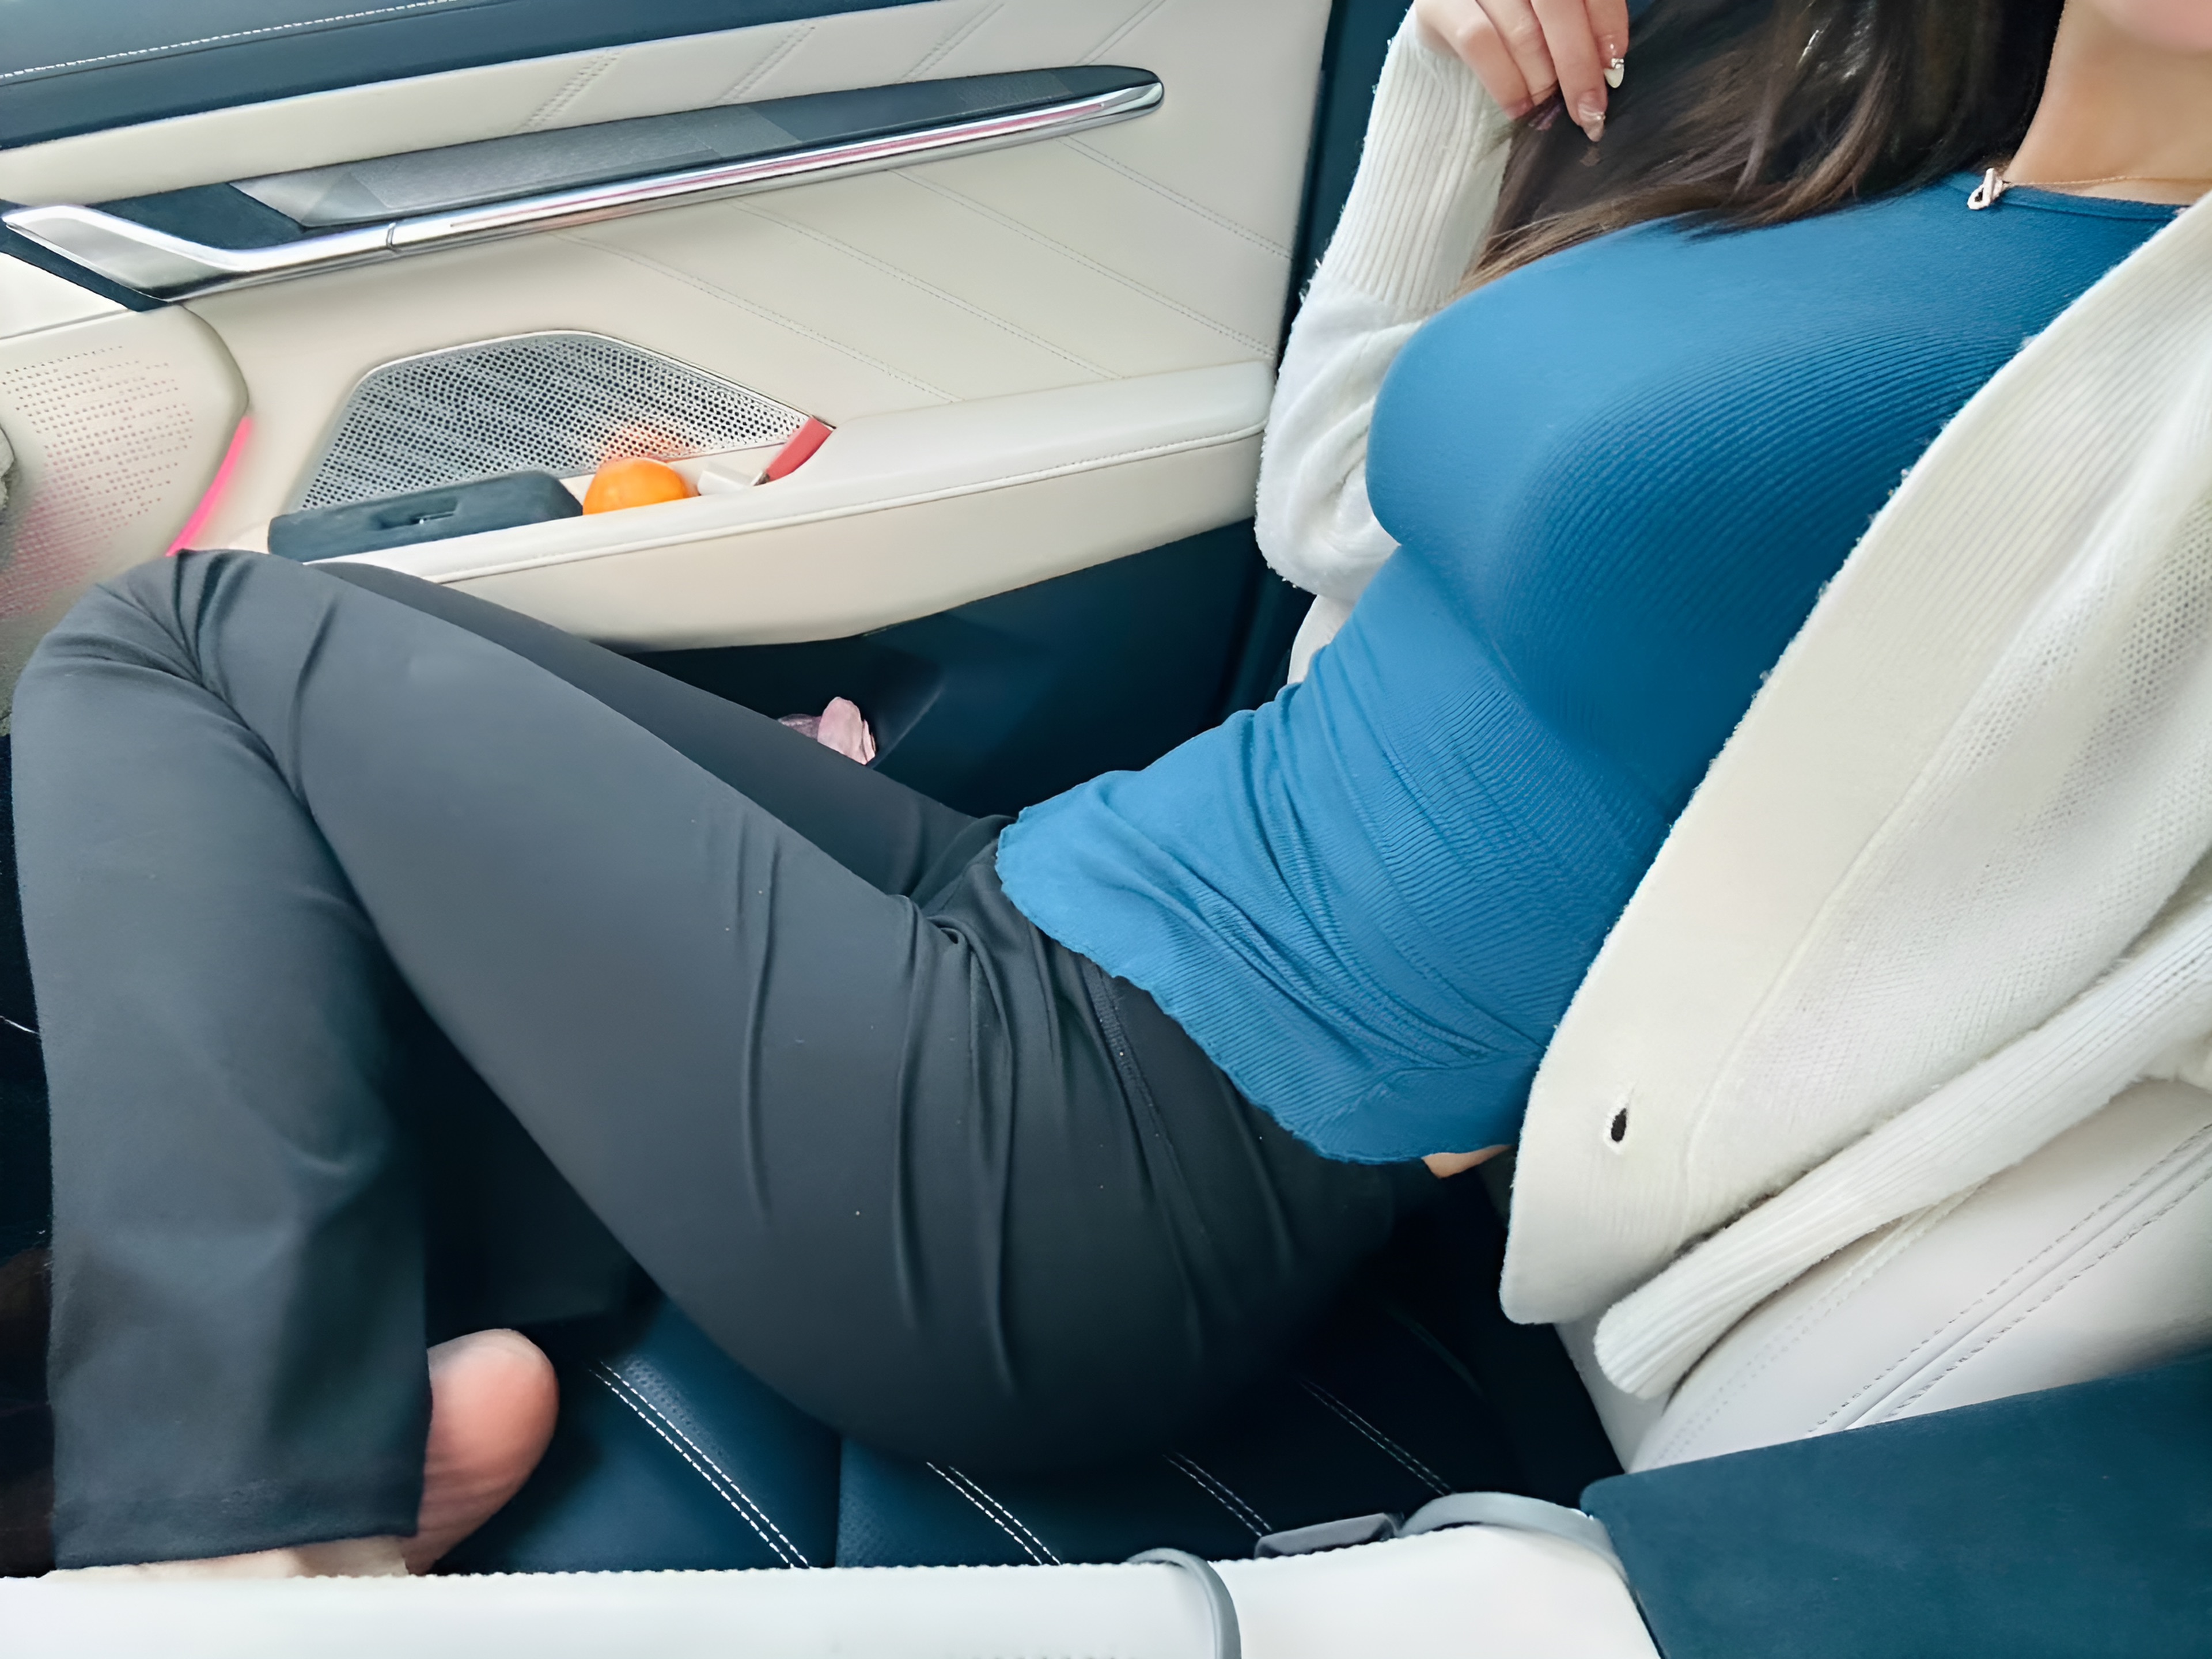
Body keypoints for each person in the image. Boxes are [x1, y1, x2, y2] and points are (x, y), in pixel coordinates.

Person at [18, 0, 2209, 1576]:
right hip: (1055, 894)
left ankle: (234, 1550)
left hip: (1142, 1157)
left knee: (176, 644)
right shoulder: (1852, 144)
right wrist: (1451, 98)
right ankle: (353, 1381)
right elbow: (1337, 516)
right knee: (304, 728)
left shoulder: (2159, 384)